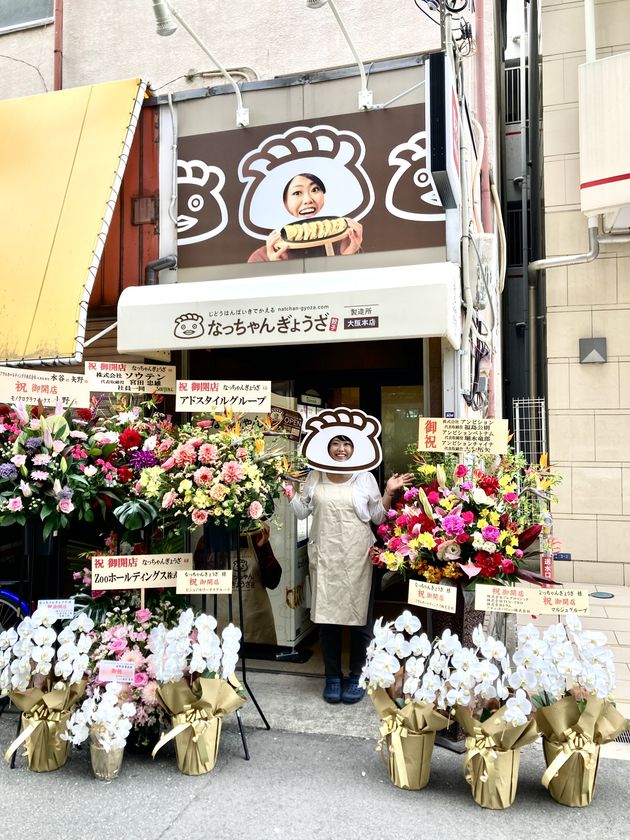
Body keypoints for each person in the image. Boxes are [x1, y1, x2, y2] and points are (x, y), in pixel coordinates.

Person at [286, 434, 412, 704]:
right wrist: (288, 491)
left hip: (358, 556)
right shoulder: (315, 476)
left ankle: (357, 675)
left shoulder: (364, 477)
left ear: (355, 448)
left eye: (346, 444)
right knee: (326, 619)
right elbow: (301, 512)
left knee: (360, 620)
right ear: (327, 447)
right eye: (335, 443)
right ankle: (332, 676)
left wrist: (389, 492)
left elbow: (377, 517)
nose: (341, 449)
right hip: (325, 556)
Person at [247, 173, 363, 263]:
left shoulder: (345, 245)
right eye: (297, 193)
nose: (308, 200)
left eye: (315, 190)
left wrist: (347, 257)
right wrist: (278, 269)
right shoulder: (261, 258)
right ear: (283, 202)